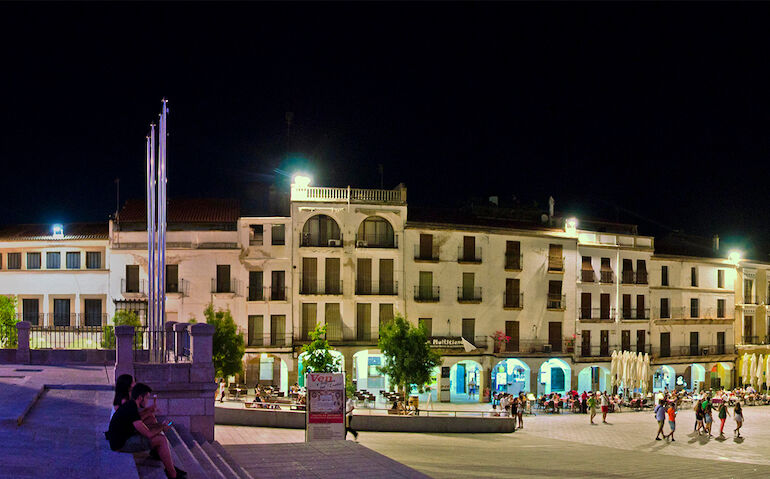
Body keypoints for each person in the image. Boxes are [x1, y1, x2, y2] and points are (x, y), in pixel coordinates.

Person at [107, 383, 186, 479]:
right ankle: (173, 474)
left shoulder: (131, 404)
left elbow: (137, 418)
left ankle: (156, 451)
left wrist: (148, 411)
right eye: (147, 398)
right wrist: (162, 427)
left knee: (150, 417)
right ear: (141, 398)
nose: (147, 401)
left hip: (122, 436)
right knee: (161, 439)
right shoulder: (131, 408)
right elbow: (148, 434)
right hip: (121, 444)